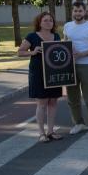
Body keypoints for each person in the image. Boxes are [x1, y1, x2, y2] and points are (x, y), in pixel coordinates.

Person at [18, 12, 63, 143]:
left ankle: (51, 131)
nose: (48, 22)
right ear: (39, 22)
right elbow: (20, 52)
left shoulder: (56, 36)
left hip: (54, 73)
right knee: (42, 103)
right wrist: (32, 51)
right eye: (45, 20)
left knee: (53, 102)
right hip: (38, 73)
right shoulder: (32, 36)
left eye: (50, 20)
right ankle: (41, 133)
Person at [63, 2, 88, 134]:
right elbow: (65, 43)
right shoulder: (67, 26)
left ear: (85, 12)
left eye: (80, 11)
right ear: (72, 12)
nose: (77, 13)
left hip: (86, 64)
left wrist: (80, 55)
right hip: (70, 65)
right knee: (72, 97)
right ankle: (78, 123)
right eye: (75, 11)